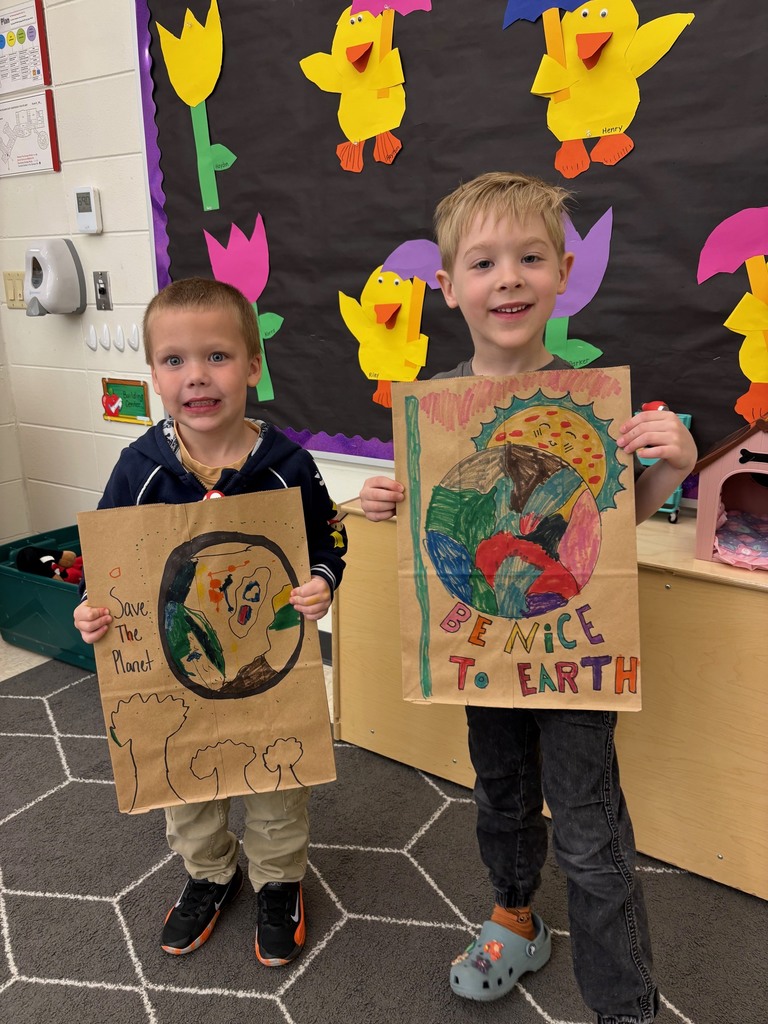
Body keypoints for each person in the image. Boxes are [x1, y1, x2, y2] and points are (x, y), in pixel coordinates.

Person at [359, 172, 697, 1024]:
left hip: (571, 646)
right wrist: (382, 503)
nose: (507, 277)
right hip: (484, 645)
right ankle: (515, 915)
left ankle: (625, 1006)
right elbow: (432, 534)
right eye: (483, 262)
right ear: (448, 287)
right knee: (499, 791)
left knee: (590, 831)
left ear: (564, 272)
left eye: (529, 257)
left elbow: (611, 534)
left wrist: (671, 466)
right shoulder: (433, 413)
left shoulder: (595, 409)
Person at [74, 277, 347, 966]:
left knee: (277, 778)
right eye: (174, 361)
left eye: (217, 356)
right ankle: (209, 872)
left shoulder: (287, 466)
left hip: (267, 674)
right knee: (185, 788)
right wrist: (92, 611)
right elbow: (107, 564)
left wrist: (319, 583)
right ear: (156, 376)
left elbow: (329, 542)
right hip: (175, 679)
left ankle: (279, 879)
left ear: (253, 365)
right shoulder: (140, 469)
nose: (196, 376)